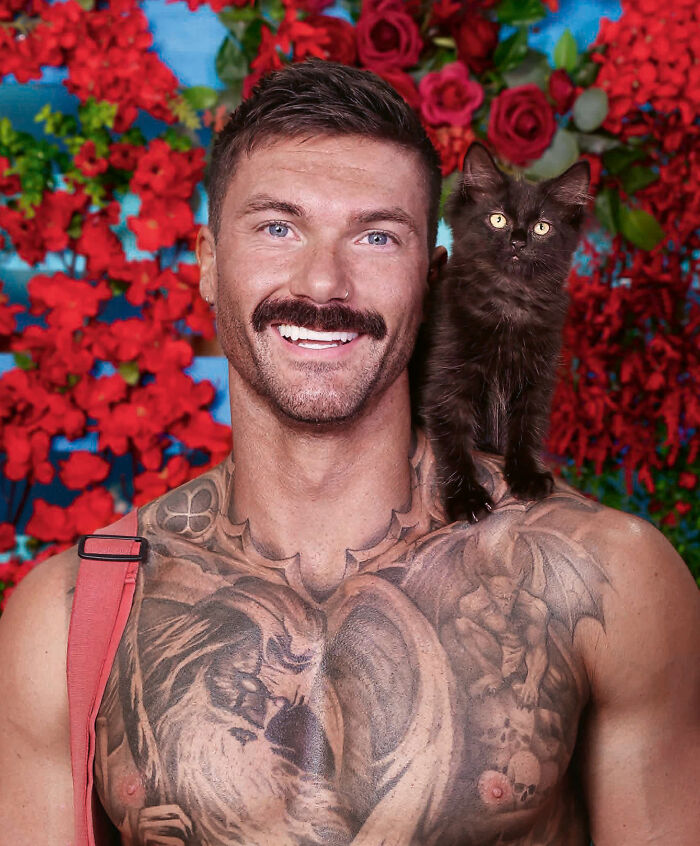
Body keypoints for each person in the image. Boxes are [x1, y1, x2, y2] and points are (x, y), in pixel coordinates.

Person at [0, 60, 698, 846]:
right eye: (278, 228)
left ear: (432, 278)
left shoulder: (604, 581)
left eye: (376, 237)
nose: (323, 282)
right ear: (208, 263)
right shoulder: (70, 615)